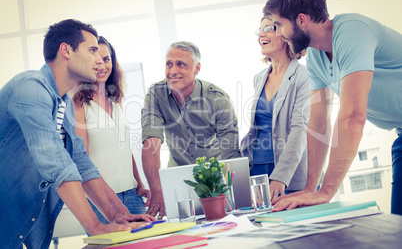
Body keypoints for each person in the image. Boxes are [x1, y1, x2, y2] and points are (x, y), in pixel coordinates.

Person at [0, 19, 154, 249]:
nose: (98, 60)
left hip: (27, 221)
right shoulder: (30, 87)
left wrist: (114, 215)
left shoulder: (65, 104)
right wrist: (96, 226)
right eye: (92, 50)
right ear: (66, 50)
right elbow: (55, 160)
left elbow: (80, 161)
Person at [263, 0, 402, 214]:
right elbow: (318, 123)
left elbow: (352, 116)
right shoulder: (316, 56)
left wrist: (326, 192)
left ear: (300, 20)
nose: (277, 34)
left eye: (278, 25)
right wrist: (312, 188)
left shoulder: (352, 31)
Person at [141, 41, 241, 218]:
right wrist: (157, 190)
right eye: (168, 64)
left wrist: (235, 195)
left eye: (181, 64)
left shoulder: (218, 99)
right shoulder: (156, 94)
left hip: (214, 181)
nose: (172, 71)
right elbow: (151, 141)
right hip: (177, 181)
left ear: (197, 68)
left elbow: (230, 152)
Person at [72, 36, 152, 226]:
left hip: (132, 194)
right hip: (101, 200)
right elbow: (82, 158)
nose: (101, 65)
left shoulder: (115, 100)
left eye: (106, 59)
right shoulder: (77, 102)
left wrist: (140, 184)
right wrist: (112, 203)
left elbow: (123, 147)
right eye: (95, 59)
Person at [240, 16, 310, 203]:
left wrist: (280, 177)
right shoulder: (259, 78)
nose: (261, 34)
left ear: (286, 33)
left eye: (268, 28)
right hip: (257, 170)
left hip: (289, 173)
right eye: (259, 30)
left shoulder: (304, 76)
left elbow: (300, 130)